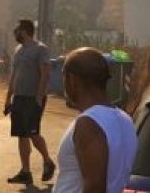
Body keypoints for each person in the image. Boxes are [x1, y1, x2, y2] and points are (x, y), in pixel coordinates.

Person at [54, 47, 138, 193]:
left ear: (72, 80)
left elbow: (95, 188)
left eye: (64, 76)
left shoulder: (89, 123)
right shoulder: (125, 120)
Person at [3, 19, 56, 185]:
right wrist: (8, 97)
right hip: (19, 97)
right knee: (21, 134)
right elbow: (14, 75)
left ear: (25, 31)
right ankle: (25, 172)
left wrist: (39, 96)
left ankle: (48, 161)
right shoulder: (18, 50)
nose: (15, 33)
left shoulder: (40, 49)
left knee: (33, 133)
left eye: (17, 30)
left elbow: (45, 73)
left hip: (33, 98)